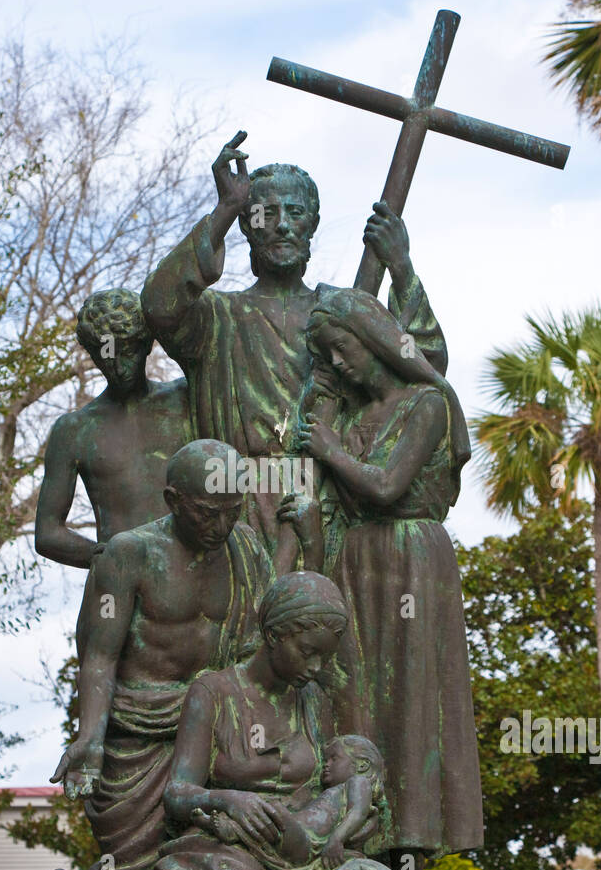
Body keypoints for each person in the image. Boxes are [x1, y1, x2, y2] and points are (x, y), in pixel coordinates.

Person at [39, 572, 414, 870]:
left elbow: (328, 786)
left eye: (325, 656)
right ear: (273, 635)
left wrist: (352, 822)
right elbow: (178, 793)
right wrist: (230, 800)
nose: (316, 666)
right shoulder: (212, 692)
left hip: (302, 854)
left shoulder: (312, 699)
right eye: (307, 651)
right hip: (229, 845)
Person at [10, 439, 269, 870]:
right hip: (138, 734)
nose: (220, 527)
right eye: (207, 513)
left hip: (211, 734)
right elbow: (100, 655)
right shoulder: (128, 555)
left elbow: (257, 646)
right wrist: (90, 738)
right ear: (173, 501)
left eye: (232, 512)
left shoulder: (246, 551)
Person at [141, 130, 447, 553]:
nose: (283, 224)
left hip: (329, 503)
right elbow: (159, 304)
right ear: (248, 225)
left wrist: (401, 268)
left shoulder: (344, 312)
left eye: (296, 212)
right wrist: (226, 207)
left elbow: (425, 367)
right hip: (233, 509)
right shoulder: (217, 316)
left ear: (313, 225)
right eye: (267, 213)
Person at [295, 287, 483, 870]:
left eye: (343, 349)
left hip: (410, 561)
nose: (341, 365)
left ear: (371, 339)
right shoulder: (347, 415)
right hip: (355, 567)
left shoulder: (426, 403)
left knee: (410, 728)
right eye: (330, 356)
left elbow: (384, 484)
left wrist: (327, 448)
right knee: (353, 715)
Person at [34, 288, 190, 569]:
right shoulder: (73, 430)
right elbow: (47, 533)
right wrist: (107, 559)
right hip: (123, 585)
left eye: (128, 352)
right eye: (106, 355)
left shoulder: (186, 399)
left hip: (198, 574)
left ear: (146, 344)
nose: (119, 367)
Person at [193, 733, 388, 870]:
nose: (326, 765)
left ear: (362, 765)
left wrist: (336, 840)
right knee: (269, 818)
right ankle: (234, 830)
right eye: (326, 760)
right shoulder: (337, 790)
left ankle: (235, 829)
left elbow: (358, 812)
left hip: (310, 841)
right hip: (299, 832)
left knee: (275, 812)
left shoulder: (359, 783)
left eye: (334, 759)